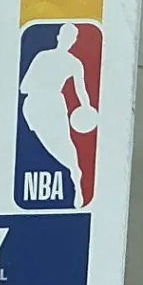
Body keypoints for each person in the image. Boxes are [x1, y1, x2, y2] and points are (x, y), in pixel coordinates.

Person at [18, 24, 95, 207]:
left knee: (62, 143)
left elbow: (81, 91)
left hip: (47, 104)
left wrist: (87, 108)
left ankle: (75, 176)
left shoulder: (68, 62)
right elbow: (23, 87)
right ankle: (74, 172)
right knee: (54, 144)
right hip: (39, 105)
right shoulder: (47, 58)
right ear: (61, 37)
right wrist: (86, 107)